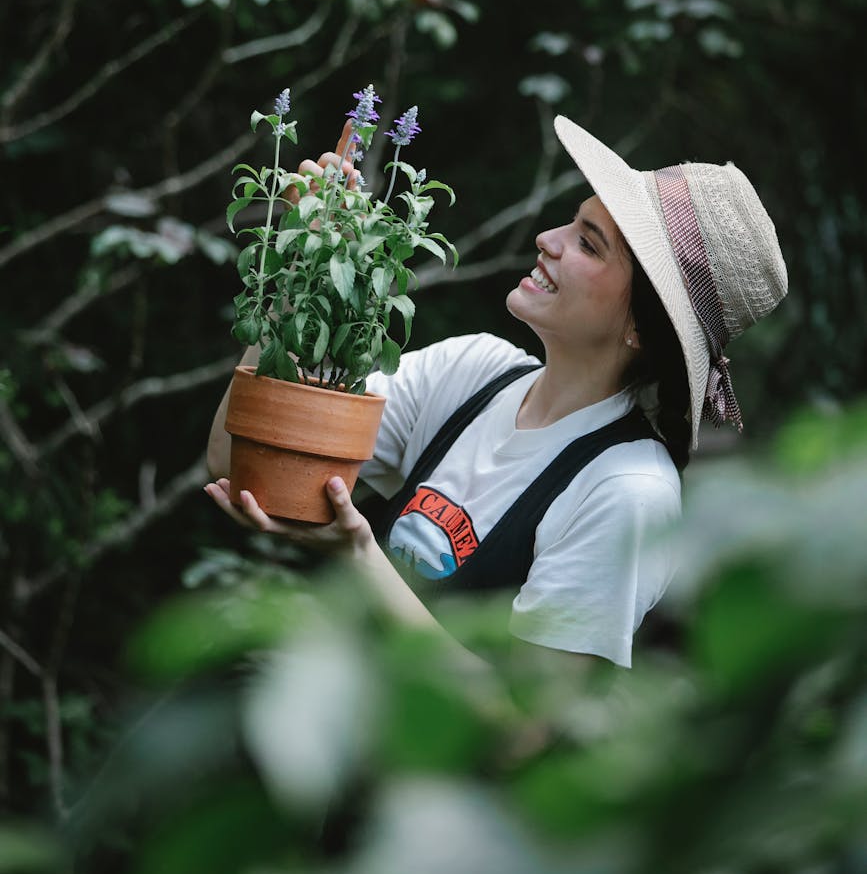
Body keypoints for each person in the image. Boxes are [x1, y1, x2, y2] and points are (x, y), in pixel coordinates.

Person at [206, 115, 788, 670]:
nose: (548, 239)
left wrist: (359, 554)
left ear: (641, 323)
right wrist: (298, 263)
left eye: (589, 245)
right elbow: (243, 462)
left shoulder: (626, 490)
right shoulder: (475, 370)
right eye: (570, 223)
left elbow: (521, 728)